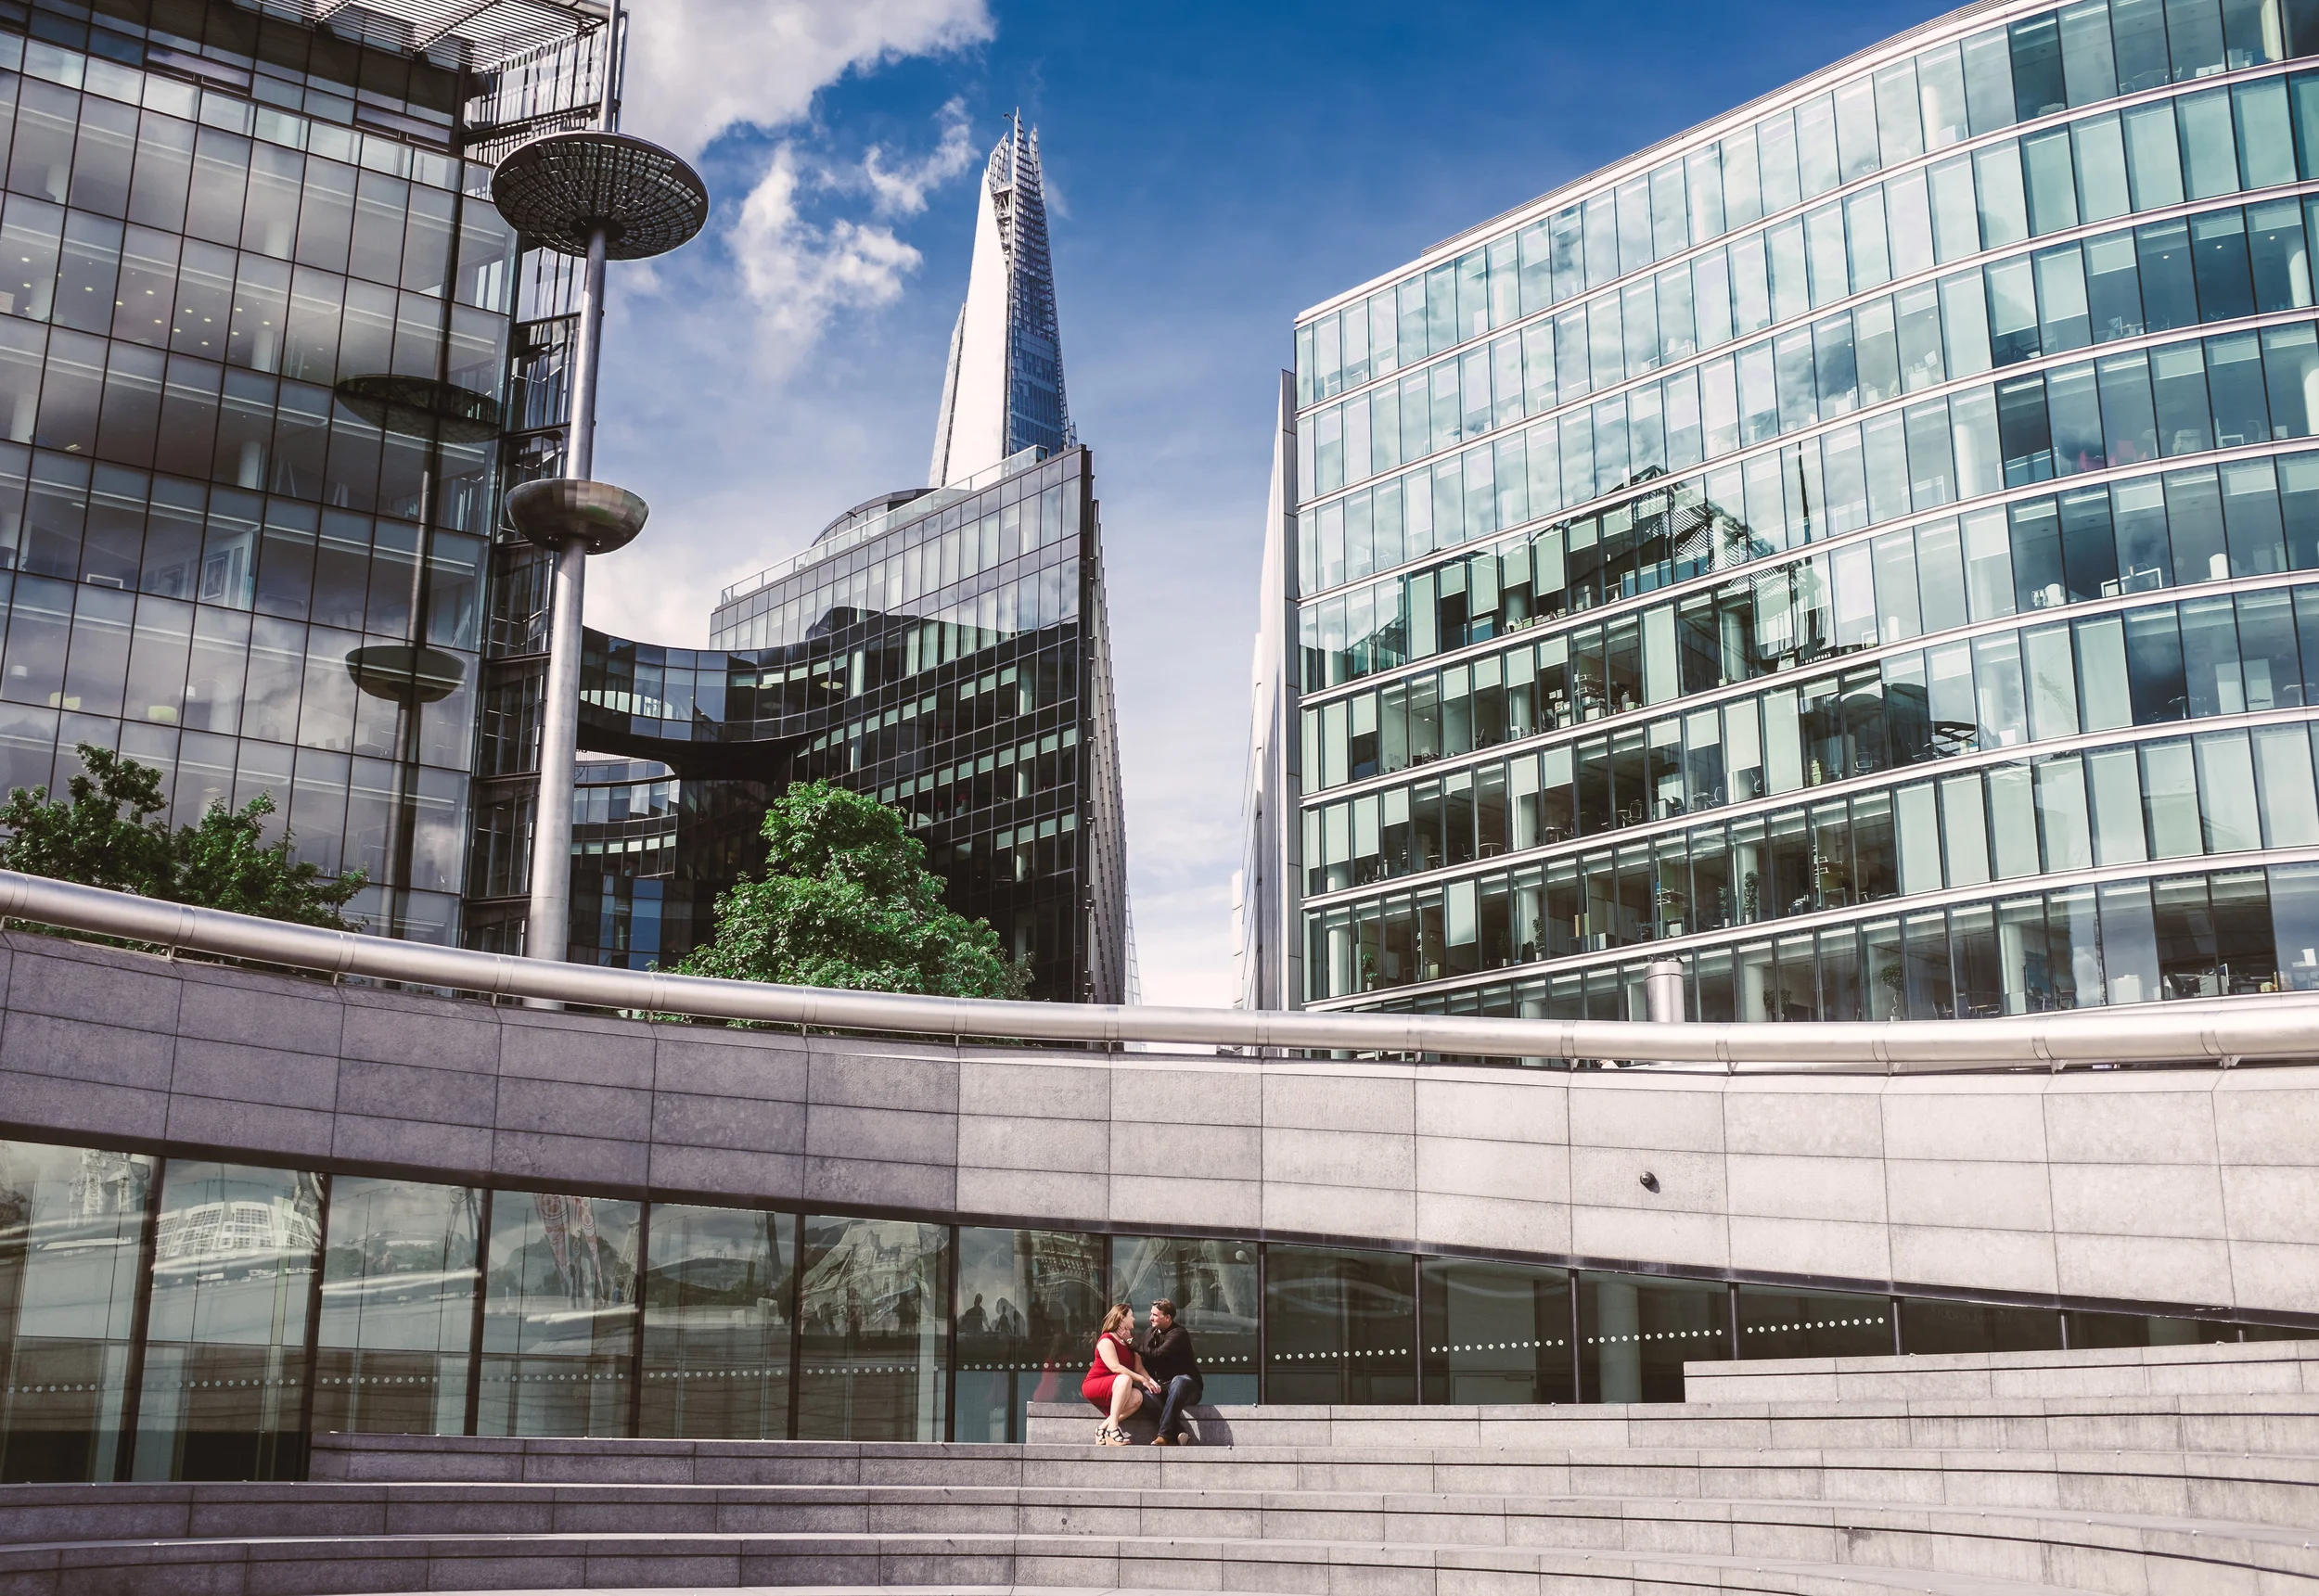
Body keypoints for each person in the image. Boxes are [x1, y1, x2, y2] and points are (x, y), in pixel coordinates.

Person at [1080, 1303, 1159, 1445]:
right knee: (1125, 1379)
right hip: (1095, 1384)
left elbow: (1139, 1368)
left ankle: (1103, 1428)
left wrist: (1150, 1381)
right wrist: (1141, 1380)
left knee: (1137, 1396)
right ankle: (1113, 1429)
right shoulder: (1106, 1340)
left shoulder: (1130, 1342)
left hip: (1118, 1385)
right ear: (1122, 1318)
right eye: (1131, 1315)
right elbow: (1115, 1367)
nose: (1134, 1319)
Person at [1139, 1297, 1203, 1446]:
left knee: (1179, 1380)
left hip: (1188, 1389)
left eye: (1155, 1315)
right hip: (1164, 1388)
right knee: (1145, 1394)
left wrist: (1133, 1343)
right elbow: (1144, 1358)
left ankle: (1164, 1435)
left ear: (1167, 1317)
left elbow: (1157, 1354)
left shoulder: (1179, 1334)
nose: (1150, 1318)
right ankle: (1178, 1432)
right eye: (1151, 1314)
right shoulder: (1150, 1333)